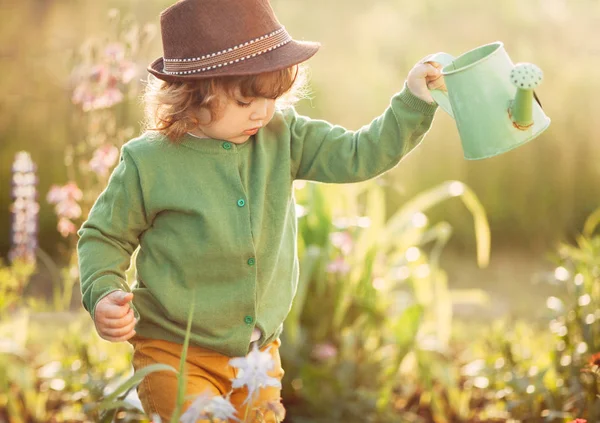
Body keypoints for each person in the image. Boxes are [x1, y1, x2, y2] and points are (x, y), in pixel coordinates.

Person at [77, 0, 446, 421]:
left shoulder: (283, 136)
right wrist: (103, 290)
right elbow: (103, 236)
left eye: (272, 96)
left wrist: (413, 100)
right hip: (174, 350)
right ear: (191, 94)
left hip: (258, 356)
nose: (263, 111)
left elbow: (361, 153)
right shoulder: (148, 161)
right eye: (246, 99)